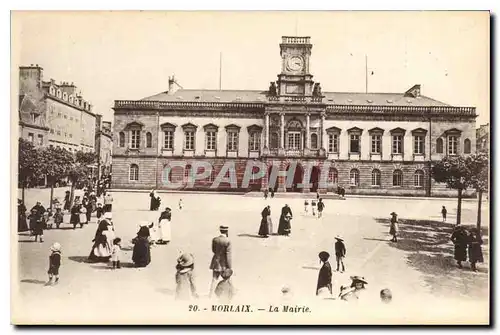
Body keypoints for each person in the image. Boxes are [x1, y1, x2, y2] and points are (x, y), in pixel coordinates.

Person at [209, 225, 232, 298]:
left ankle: (210, 295)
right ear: (227, 231)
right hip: (224, 263)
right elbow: (228, 255)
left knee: (214, 279)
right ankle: (229, 294)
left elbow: (213, 250)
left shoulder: (215, 239)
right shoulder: (228, 241)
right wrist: (229, 266)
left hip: (216, 262)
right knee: (227, 279)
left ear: (220, 230)